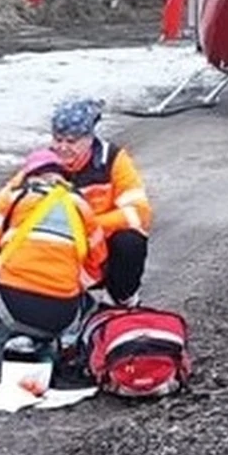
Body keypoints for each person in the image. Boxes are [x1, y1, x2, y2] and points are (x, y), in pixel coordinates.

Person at [0, 148, 107, 375]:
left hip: (13, 303)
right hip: (62, 314)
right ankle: (40, 343)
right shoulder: (82, 207)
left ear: (28, 175)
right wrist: (68, 288)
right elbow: (98, 263)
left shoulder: (14, 198)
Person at [49, 97, 151, 307]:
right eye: (58, 140)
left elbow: (139, 212)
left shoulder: (113, 160)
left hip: (102, 245)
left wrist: (89, 226)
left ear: (89, 139)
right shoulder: (44, 163)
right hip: (58, 244)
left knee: (130, 241)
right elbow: (4, 204)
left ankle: (122, 300)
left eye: (71, 141)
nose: (62, 148)